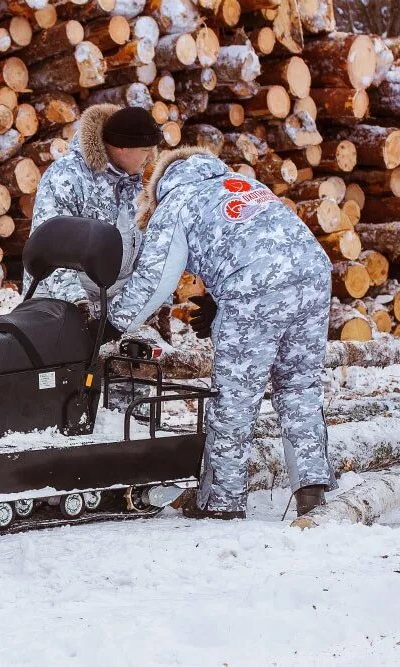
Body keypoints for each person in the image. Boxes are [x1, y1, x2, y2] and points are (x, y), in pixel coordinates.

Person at [106, 146, 336, 520]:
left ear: (160, 184)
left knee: (235, 397)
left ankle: (222, 501)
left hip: (254, 288)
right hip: (314, 275)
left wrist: (114, 324)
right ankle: (311, 492)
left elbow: (154, 282)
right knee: (300, 386)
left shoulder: (175, 202)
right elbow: (256, 243)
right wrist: (219, 301)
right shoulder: (242, 183)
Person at [26, 105, 216, 337]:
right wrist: (79, 309)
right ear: (122, 147)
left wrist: (158, 306)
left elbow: (156, 252)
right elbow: (51, 251)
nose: (150, 158)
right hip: (59, 305)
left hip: (116, 310)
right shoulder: (67, 177)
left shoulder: (140, 183)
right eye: (146, 150)